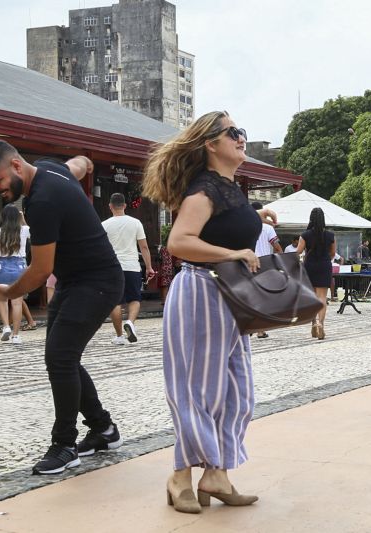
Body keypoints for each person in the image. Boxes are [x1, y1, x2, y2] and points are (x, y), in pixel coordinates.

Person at [0, 139, 123, 475]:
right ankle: (103, 429)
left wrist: (9, 292)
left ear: (15, 166)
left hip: (97, 282)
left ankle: (65, 445)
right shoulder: (51, 169)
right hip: (74, 281)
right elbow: (80, 162)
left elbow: (41, 271)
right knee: (62, 357)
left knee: (60, 357)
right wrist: (87, 159)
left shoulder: (42, 201)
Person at [141, 111, 265, 513]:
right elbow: (179, 241)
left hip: (227, 295)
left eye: (241, 131)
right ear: (212, 144)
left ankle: (216, 472)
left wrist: (255, 219)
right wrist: (234, 252)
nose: (241, 138)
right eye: (234, 133)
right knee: (198, 392)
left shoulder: (227, 187)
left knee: (236, 391)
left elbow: (218, 229)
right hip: (201, 291)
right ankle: (180, 476)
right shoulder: (205, 188)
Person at [102, 192, 155, 345]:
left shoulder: (104, 225)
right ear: (125, 206)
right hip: (132, 266)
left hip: (112, 268)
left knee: (115, 302)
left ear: (110, 206)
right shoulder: (135, 223)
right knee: (134, 299)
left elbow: (100, 248)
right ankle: (130, 322)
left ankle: (119, 336)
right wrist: (149, 267)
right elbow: (144, 247)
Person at [0, 205, 30, 344]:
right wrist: (23, 219)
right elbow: (33, 233)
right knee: (17, 303)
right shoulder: (24, 229)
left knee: (2, 300)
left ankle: (6, 326)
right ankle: (16, 336)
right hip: (19, 265)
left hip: (2, 265)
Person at [296, 207, 335, 340]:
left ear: (311, 218)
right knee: (322, 298)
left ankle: (313, 324)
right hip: (324, 265)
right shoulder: (330, 235)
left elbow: (298, 252)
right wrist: (324, 259)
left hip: (310, 266)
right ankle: (321, 324)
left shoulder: (305, 235)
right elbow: (333, 254)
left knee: (312, 297)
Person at [251, 201, 282, 339]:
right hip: (264, 264)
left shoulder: (246, 225)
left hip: (247, 263)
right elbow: (277, 247)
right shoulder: (267, 228)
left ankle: (250, 325)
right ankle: (260, 330)